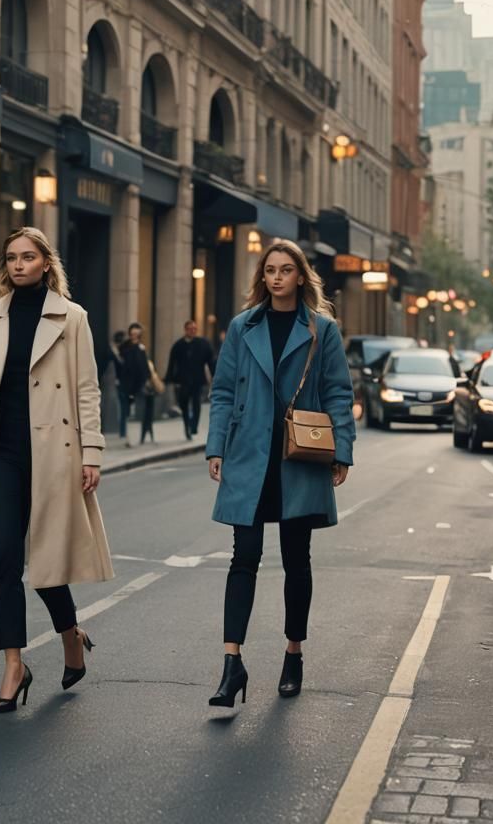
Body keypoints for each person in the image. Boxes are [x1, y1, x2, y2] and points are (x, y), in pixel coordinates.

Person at [0, 227, 114, 715]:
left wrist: (92, 452)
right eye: (11, 258)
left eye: (27, 257)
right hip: (0, 452)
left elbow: (87, 389)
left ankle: (70, 634)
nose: (18, 265)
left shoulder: (72, 318)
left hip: (53, 453)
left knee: (44, 564)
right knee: (5, 558)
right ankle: (14, 666)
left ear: (46, 262)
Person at [204, 239, 355, 708]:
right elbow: (224, 392)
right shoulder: (241, 326)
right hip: (250, 454)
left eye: (286, 270)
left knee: (296, 558)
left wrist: (341, 452)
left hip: (298, 458)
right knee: (243, 556)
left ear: (300, 276)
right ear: (261, 276)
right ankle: (232, 663)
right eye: (269, 269)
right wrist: (216, 448)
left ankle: (294, 652)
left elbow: (337, 394)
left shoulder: (321, 330)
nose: (276, 277)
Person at [165, 320, 216, 440]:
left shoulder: (203, 343)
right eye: (190, 329)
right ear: (185, 330)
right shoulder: (178, 345)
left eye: (194, 329)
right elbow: (172, 363)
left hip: (197, 379)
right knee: (183, 403)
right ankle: (186, 424)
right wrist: (169, 378)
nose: (192, 331)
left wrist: (215, 375)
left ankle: (194, 426)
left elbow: (211, 361)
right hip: (182, 380)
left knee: (196, 402)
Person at [118, 323, 150, 447]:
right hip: (126, 383)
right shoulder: (125, 347)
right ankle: (126, 437)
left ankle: (136, 437)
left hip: (138, 384)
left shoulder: (141, 348)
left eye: (137, 335)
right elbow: (123, 364)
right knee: (126, 411)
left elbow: (144, 366)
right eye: (133, 334)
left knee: (137, 412)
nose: (134, 337)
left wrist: (146, 379)